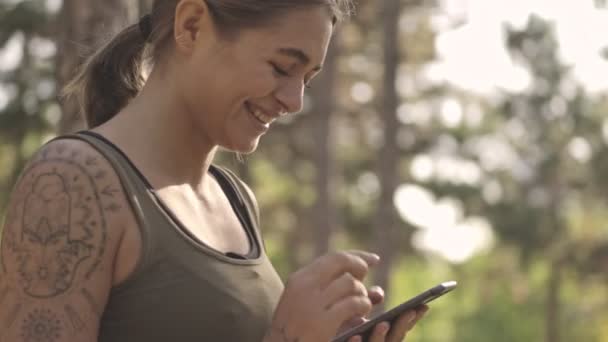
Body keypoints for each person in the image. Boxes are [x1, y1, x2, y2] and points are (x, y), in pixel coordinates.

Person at [0, 0, 428, 341]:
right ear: (191, 25)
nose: (295, 102)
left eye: (308, 79)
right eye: (281, 67)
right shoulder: (73, 182)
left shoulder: (235, 199)